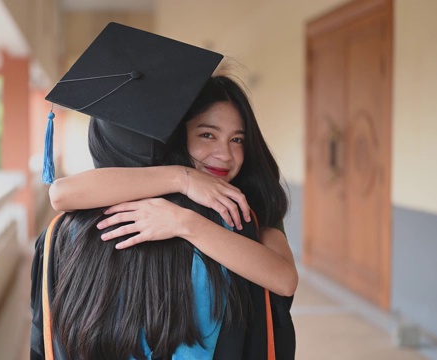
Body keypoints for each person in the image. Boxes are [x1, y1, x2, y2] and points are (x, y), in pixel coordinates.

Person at [31, 22, 288, 359]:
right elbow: (61, 193)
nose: (225, 154)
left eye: (237, 139)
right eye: (207, 135)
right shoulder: (234, 222)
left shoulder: (242, 213)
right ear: (175, 139)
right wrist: (182, 178)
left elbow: (284, 279)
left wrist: (184, 222)